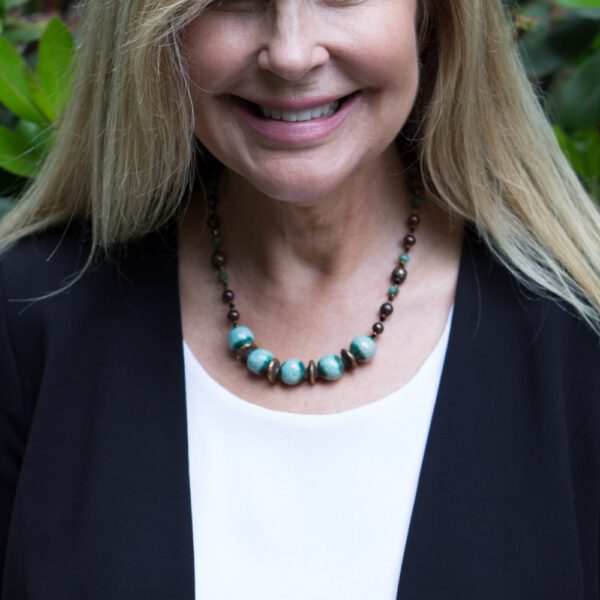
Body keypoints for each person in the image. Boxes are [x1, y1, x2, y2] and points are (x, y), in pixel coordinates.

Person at [0, 0, 599, 598]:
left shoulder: (580, 341)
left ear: (433, 16)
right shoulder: (27, 320)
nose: (290, 54)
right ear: (155, 34)